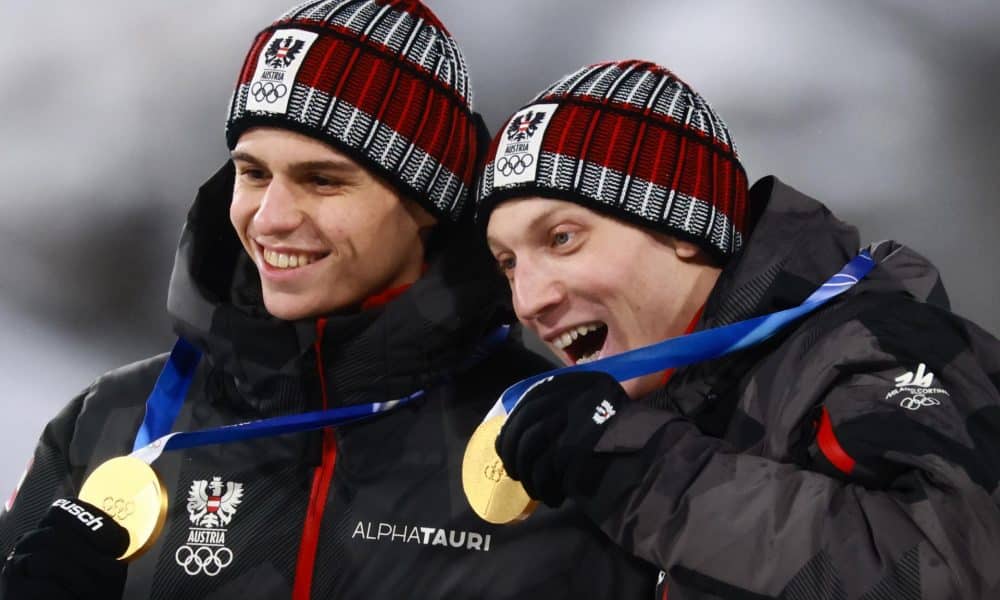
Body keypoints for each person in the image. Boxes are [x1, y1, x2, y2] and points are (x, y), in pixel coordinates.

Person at [0, 5, 656, 599]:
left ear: (427, 204)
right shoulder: (111, 422)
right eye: (253, 173)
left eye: (321, 180)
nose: (271, 217)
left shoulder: (556, 443)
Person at [477, 59, 1000, 599]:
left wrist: (643, 474)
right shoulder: (674, 409)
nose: (528, 301)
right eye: (508, 263)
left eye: (562, 238)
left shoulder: (872, 348)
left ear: (681, 226)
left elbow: (952, 574)